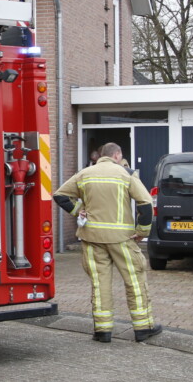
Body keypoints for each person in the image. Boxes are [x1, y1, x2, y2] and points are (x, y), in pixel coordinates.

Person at [54, 143, 162, 343]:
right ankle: (143, 327)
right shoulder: (126, 173)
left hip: (92, 238)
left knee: (100, 283)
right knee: (134, 281)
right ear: (117, 155)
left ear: (101, 155)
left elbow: (60, 195)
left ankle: (102, 330)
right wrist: (142, 232)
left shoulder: (85, 173)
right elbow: (146, 203)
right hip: (122, 239)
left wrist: (78, 210)